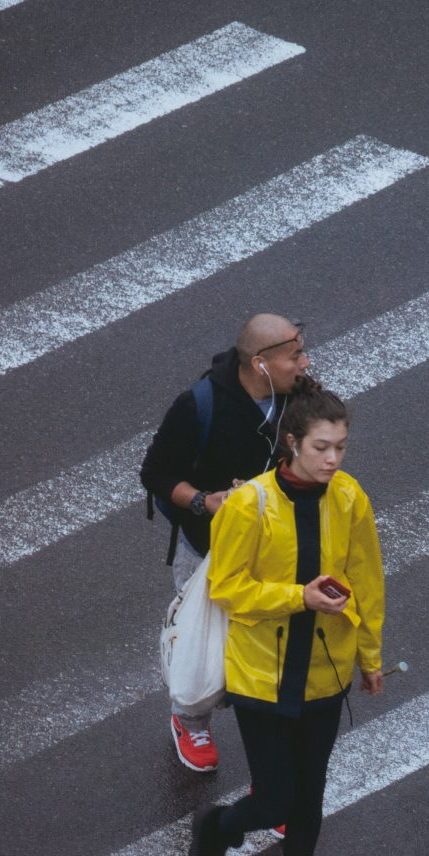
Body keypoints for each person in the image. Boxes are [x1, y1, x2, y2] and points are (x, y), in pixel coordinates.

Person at [185, 387, 385, 856]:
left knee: (309, 800)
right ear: (292, 443)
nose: (333, 460)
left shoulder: (349, 498)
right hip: (262, 677)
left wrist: (369, 656)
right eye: (322, 447)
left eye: (341, 447)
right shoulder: (249, 505)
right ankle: (218, 828)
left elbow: (368, 579)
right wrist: (298, 597)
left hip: (325, 673)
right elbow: (227, 588)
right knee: (275, 797)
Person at [140, 315, 311, 772]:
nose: (305, 363)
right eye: (295, 355)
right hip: (207, 549)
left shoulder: (300, 399)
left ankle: (268, 739)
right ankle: (190, 718)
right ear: (260, 364)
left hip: (277, 548)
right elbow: (155, 473)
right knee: (201, 640)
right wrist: (202, 501)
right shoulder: (197, 406)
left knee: (267, 643)